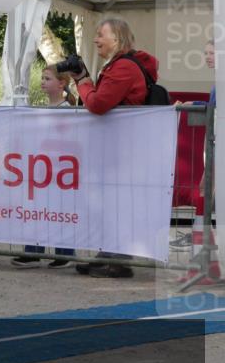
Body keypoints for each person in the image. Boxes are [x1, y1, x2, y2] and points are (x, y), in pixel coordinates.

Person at [71, 18, 158, 278]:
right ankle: (107, 254)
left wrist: (83, 82)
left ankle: (118, 260)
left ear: (117, 39)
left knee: (117, 202)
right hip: (122, 146)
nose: (96, 39)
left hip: (123, 147)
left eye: (100, 35)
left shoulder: (123, 68)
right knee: (110, 202)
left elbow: (98, 104)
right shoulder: (122, 65)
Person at [10, 64, 77, 268]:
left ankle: (65, 252)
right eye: (43, 78)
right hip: (41, 168)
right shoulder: (43, 109)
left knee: (61, 211)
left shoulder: (69, 110)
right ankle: (33, 251)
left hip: (61, 170)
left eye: (47, 78)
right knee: (36, 209)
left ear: (61, 83)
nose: (42, 82)